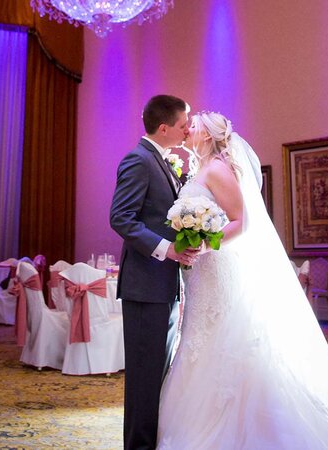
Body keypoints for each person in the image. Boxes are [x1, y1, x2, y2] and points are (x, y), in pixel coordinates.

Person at [156, 111, 328, 449]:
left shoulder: (217, 169)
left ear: (209, 136)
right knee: (198, 340)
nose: (187, 130)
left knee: (226, 342)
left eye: (193, 126)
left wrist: (205, 242)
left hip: (217, 269)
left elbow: (241, 222)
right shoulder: (199, 170)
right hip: (201, 276)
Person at [109, 94, 201, 450]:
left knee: (157, 376)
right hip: (144, 287)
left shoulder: (163, 161)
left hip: (162, 287)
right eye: (183, 125)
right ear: (164, 128)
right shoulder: (138, 160)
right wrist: (169, 251)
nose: (187, 130)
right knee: (144, 380)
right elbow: (121, 218)